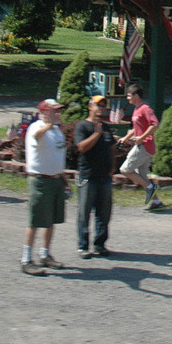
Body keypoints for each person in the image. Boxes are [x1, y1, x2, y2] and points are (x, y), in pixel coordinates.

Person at [20, 98, 68, 276]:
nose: (58, 114)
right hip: (40, 180)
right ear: (44, 112)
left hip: (55, 179)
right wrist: (48, 125)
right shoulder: (36, 126)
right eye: (54, 111)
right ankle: (26, 259)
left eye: (58, 110)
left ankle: (45, 254)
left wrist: (63, 177)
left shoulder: (57, 131)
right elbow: (36, 137)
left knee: (51, 220)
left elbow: (57, 154)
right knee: (35, 221)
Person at [75, 95, 116, 258]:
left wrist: (113, 166)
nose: (101, 108)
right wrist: (96, 134)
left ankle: (100, 244)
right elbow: (81, 147)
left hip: (104, 177)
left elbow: (111, 147)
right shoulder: (82, 126)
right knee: (84, 213)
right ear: (90, 106)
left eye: (104, 106)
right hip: (88, 177)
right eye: (98, 105)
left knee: (104, 213)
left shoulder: (105, 127)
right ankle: (83, 246)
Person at [119, 83, 163, 210]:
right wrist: (126, 138)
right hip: (141, 145)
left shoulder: (145, 109)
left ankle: (151, 188)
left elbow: (155, 125)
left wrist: (142, 138)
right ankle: (157, 202)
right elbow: (136, 127)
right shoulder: (136, 109)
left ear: (136, 96)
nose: (128, 98)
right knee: (142, 176)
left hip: (145, 146)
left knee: (125, 170)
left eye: (129, 95)